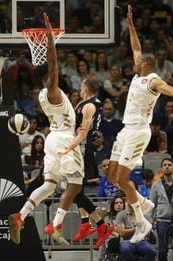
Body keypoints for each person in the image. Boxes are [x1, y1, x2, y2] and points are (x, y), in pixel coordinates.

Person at [106, 5, 173, 244]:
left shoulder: (153, 80)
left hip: (139, 131)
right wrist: (131, 25)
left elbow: (171, 89)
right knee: (112, 176)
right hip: (126, 129)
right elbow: (136, 47)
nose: (134, 62)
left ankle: (142, 220)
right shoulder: (139, 74)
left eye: (138, 62)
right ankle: (143, 201)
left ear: (145, 65)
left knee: (124, 178)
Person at [9, 13, 84, 246]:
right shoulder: (51, 91)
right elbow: (52, 63)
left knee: (49, 186)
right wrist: (50, 38)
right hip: (63, 139)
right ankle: (56, 225)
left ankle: (20, 215)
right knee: (76, 184)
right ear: (49, 76)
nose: (57, 73)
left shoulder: (42, 94)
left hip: (53, 138)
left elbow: (50, 66)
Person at [58, 77, 114, 248]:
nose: (80, 89)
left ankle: (100, 226)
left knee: (75, 190)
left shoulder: (89, 105)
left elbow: (84, 130)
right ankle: (86, 223)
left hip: (82, 149)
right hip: (81, 148)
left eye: (82, 86)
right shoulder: (86, 103)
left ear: (86, 87)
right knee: (76, 190)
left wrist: (70, 146)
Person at [149, 160, 173, 261]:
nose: (167, 167)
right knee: (162, 249)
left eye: (169, 165)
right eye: (165, 165)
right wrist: (150, 219)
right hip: (162, 220)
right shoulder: (156, 184)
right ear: (162, 168)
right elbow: (152, 203)